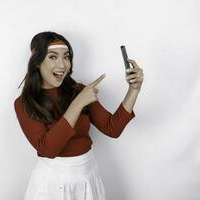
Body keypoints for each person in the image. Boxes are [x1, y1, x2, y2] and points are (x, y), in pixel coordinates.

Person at [14, 31, 144, 200]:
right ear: (37, 62)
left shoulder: (80, 91)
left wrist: (134, 90)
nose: (62, 65)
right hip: (52, 184)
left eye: (66, 57)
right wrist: (78, 103)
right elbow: (48, 149)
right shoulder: (24, 102)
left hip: (87, 177)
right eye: (53, 57)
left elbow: (113, 128)